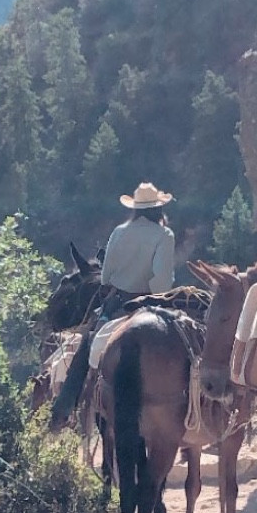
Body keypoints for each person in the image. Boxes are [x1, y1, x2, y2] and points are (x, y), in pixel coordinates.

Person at [49, 181, 176, 427]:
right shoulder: (164, 235)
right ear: (158, 209)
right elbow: (162, 283)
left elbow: (106, 277)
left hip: (119, 301)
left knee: (87, 346)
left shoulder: (119, 232)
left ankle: (64, 407)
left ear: (135, 209)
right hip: (153, 303)